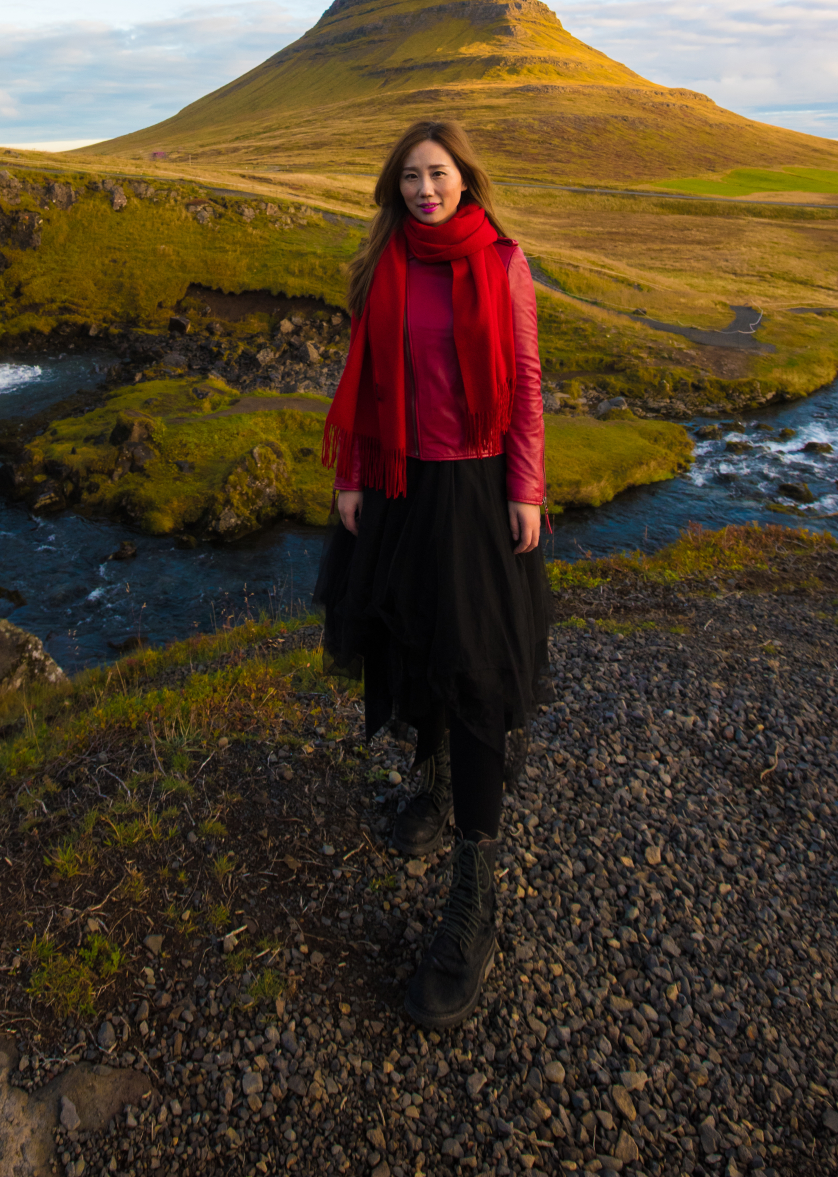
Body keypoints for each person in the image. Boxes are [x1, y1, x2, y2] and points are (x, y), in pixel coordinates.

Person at [314, 118, 549, 1030]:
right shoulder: (381, 265)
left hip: (476, 488)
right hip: (397, 482)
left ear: (464, 180)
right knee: (408, 646)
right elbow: (362, 376)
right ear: (392, 186)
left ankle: (472, 896)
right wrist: (349, 476)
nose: (424, 189)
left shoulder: (501, 261)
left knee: (477, 676)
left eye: (437, 173)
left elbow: (524, 380)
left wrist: (525, 488)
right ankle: (434, 781)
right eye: (409, 176)